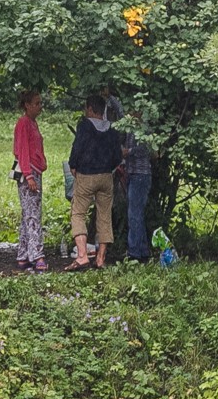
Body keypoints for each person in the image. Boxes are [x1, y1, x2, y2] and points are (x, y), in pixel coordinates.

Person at [65, 94, 121, 271]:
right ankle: (100, 259)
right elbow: (117, 156)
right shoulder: (111, 129)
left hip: (86, 175)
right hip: (105, 177)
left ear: (90, 109)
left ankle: (82, 256)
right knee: (104, 215)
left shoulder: (85, 126)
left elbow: (77, 148)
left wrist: (73, 166)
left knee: (78, 213)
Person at [13, 90, 48, 272]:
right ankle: (37, 255)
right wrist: (28, 175)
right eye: (37, 103)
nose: (40, 107)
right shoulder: (23, 123)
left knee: (28, 213)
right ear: (27, 105)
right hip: (30, 172)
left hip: (36, 170)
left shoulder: (33, 123)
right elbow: (22, 151)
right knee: (33, 215)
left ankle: (23, 255)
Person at [122, 117, 153, 262]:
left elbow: (146, 147)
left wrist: (128, 152)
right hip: (132, 173)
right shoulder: (130, 126)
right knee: (137, 213)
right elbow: (118, 108)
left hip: (140, 174)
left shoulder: (144, 127)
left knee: (134, 214)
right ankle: (143, 251)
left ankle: (134, 253)